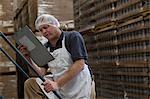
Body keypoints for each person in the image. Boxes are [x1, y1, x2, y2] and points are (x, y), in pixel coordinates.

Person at [19, 14, 95, 99]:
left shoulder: (72, 37)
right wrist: (28, 57)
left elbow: (80, 64)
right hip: (61, 87)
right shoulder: (46, 47)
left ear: (56, 25)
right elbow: (41, 73)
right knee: (30, 84)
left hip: (80, 85)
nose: (44, 32)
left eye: (46, 27)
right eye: (40, 30)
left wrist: (57, 84)